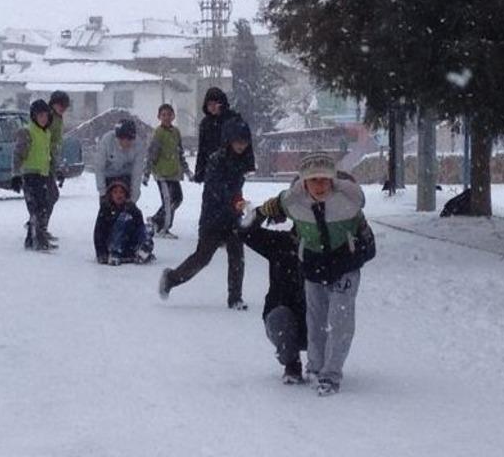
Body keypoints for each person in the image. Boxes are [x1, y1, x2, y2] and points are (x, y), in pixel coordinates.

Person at [255, 152, 374, 396]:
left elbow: (359, 198)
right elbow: (275, 206)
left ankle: (331, 374)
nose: (320, 186)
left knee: (340, 320)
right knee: (316, 320)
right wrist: (260, 212)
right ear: (303, 182)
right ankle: (316, 367)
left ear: (333, 180)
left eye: (324, 179)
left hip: (345, 264)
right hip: (313, 265)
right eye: (313, 180)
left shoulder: (348, 199)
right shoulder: (293, 202)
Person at [158, 118, 253, 310]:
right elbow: (216, 188)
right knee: (203, 257)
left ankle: (235, 298)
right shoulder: (216, 160)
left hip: (232, 217)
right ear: (229, 140)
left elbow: (235, 188)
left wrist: (239, 202)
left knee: (237, 256)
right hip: (213, 217)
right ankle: (171, 278)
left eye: (244, 142)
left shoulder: (243, 160)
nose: (241, 145)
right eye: (237, 141)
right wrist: (234, 200)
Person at [237, 206, 307, 384]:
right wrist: (264, 211)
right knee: (279, 317)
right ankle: (292, 363)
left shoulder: (330, 247)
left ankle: (325, 367)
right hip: (284, 315)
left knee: (336, 316)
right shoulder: (281, 243)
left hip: (319, 318)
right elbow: (245, 231)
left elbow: (365, 249)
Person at [11, 99, 57, 252]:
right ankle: (39, 241)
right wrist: (16, 174)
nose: (44, 119)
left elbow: (47, 155)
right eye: (40, 116)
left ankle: (31, 240)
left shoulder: (46, 133)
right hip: (30, 175)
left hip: (43, 175)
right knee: (37, 209)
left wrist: (54, 170)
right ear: (34, 116)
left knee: (42, 207)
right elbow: (17, 154)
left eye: (46, 116)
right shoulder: (27, 132)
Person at [143, 103, 192, 239]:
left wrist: (187, 171)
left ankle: (155, 220)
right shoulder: (158, 133)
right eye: (163, 115)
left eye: (169, 114)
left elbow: (180, 153)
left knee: (177, 199)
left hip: (174, 174)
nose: (167, 117)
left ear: (173, 116)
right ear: (159, 117)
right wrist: (147, 173)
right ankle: (163, 228)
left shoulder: (176, 132)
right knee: (168, 201)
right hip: (162, 174)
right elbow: (151, 154)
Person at [194, 87, 255, 184]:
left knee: (232, 191)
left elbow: (245, 141)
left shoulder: (233, 119)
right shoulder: (205, 124)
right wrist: (200, 171)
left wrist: (248, 164)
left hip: (232, 166)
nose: (212, 107)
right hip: (212, 168)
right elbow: (202, 149)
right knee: (212, 191)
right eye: (209, 104)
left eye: (215, 104)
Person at [93, 180, 155, 265]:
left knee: (147, 228)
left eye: (121, 192)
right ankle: (115, 253)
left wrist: (135, 213)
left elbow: (139, 225)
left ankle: (143, 250)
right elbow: (98, 232)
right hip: (112, 244)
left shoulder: (131, 208)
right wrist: (101, 253)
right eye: (115, 192)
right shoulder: (106, 209)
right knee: (124, 218)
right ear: (111, 195)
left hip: (128, 244)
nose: (119, 195)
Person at [42, 90, 70, 242]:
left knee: (49, 195)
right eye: (61, 105)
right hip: (44, 162)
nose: (63, 108)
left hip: (51, 162)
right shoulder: (49, 117)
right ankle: (39, 225)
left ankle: (40, 225)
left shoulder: (58, 118)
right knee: (51, 195)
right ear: (53, 104)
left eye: (65, 106)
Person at [94, 119, 145, 203]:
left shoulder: (138, 146)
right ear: (117, 137)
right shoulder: (107, 141)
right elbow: (99, 167)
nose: (126, 142)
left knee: (127, 206)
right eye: (122, 139)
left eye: (130, 139)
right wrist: (102, 193)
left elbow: (137, 173)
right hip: (108, 176)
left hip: (126, 177)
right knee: (107, 206)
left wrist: (133, 199)